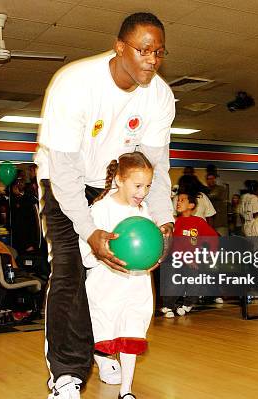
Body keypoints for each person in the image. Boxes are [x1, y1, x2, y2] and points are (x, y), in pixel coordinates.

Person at [34, 12, 175, 399]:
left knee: (119, 271)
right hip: (63, 180)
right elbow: (64, 171)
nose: (152, 59)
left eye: (159, 51)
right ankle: (66, 373)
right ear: (119, 47)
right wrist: (90, 230)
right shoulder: (75, 83)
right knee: (70, 270)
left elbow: (156, 166)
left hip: (114, 183)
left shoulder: (160, 96)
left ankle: (106, 344)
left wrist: (164, 221)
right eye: (144, 49)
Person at [79, 152, 158, 399]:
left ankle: (126, 391)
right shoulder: (100, 210)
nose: (143, 192)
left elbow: (151, 246)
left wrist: (153, 259)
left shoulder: (145, 212)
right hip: (106, 286)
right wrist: (106, 259)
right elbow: (86, 254)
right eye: (138, 185)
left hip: (136, 285)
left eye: (147, 186)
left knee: (131, 332)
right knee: (104, 334)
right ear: (120, 180)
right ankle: (99, 358)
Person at [161, 192, 219, 318]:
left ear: (191, 205)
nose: (178, 202)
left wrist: (210, 253)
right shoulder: (173, 222)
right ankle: (169, 305)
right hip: (175, 259)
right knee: (174, 282)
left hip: (192, 261)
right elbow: (174, 244)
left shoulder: (198, 222)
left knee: (196, 279)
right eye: (178, 200)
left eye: (182, 200)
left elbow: (213, 236)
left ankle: (187, 304)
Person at [205, 172, 228, 236]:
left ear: (215, 179)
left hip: (220, 222)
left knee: (223, 242)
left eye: (212, 178)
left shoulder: (221, 188)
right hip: (209, 222)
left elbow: (215, 195)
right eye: (209, 179)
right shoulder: (205, 189)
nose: (211, 180)